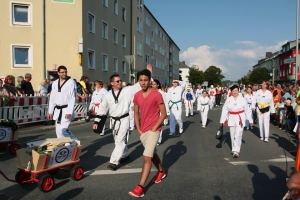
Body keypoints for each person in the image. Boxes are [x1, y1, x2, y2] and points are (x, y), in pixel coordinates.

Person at [128, 69, 166, 198]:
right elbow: (136, 113)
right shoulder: (137, 95)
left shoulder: (156, 94)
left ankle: (140, 188)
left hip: (154, 130)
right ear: (138, 81)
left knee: (146, 157)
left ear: (150, 80)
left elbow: (164, 114)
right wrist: (138, 129)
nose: (143, 83)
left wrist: (155, 128)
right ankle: (161, 171)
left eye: (145, 80)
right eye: (141, 80)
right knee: (151, 153)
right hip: (143, 130)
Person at [93, 73, 142, 171]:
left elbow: (138, 86)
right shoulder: (107, 95)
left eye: (120, 80)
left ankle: (113, 162)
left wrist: (148, 73)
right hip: (114, 121)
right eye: (117, 81)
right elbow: (102, 109)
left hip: (124, 119)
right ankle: (125, 155)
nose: (120, 82)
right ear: (112, 83)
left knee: (120, 141)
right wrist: (96, 122)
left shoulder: (126, 91)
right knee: (118, 141)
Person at [220, 85, 253, 158]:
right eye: (233, 91)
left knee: (238, 134)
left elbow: (247, 110)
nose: (235, 92)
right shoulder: (228, 99)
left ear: (238, 91)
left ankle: (236, 151)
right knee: (232, 134)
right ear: (231, 92)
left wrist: (250, 120)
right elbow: (225, 110)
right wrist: (222, 120)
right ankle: (234, 148)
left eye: (236, 90)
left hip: (240, 117)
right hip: (231, 117)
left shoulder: (242, 99)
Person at [47, 66, 76, 139]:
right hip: (58, 110)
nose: (64, 73)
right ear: (58, 73)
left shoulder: (71, 82)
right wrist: (50, 111)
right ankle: (63, 146)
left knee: (63, 130)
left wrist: (69, 112)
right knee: (58, 131)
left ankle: (74, 143)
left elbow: (72, 98)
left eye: (66, 72)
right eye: (62, 72)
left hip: (66, 109)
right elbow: (52, 98)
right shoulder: (55, 83)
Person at [151, 79, 170, 145]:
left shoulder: (161, 93)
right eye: (152, 84)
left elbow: (165, 103)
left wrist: (167, 112)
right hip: (152, 112)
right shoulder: (150, 92)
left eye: (154, 84)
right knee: (152, 125)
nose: (153, 86)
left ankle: (159, 139)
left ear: (158, 85)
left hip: (160, 111)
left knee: (158, 125)